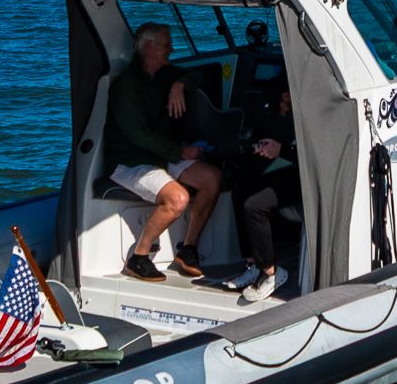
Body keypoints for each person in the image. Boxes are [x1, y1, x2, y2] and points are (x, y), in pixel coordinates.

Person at [104, 23, 223, 282]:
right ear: (149, 48)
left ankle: (188, 249)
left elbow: (194, 75)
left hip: (160, 155)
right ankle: (139, 257)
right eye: (166, 45)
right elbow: (138, 135)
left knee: (212, 178)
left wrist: (178, 85)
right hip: (130, 160)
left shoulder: (163, 74)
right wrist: (180, 151)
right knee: (177, 199)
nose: (172, 49)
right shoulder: (126, 86)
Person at [226, 89, 299, 304]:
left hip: (312, 179)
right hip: (292, 171)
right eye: (282, 94)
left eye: (287, 95)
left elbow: (314, 154)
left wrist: (282, 150)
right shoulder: (278, 113)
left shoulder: (312, 112)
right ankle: (253, 264)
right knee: (241, 190)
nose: (284, 98)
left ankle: (271, 272)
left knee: (254, 206)